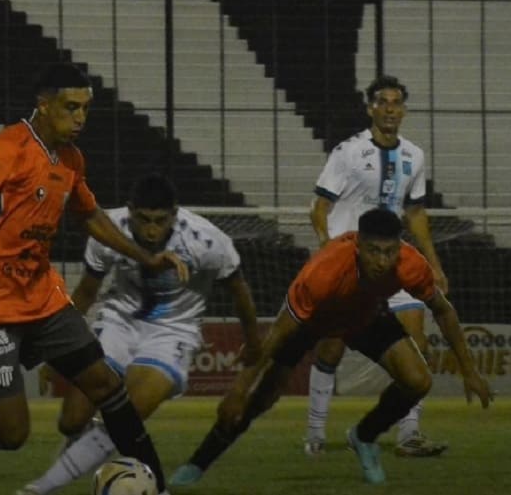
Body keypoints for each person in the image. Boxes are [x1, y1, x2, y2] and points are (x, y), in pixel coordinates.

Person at [0, 63, 189, 495]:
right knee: (10, 434)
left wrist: (147, 258)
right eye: (71, 107)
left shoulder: (70, 159)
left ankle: (155, 487)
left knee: (107, 385)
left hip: (43, 300)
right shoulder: (8, 148)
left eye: (85, 108)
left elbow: (90, 216)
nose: (80, 117)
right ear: (44, 106)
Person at [169, 208, 492, 487]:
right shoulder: (323, 273)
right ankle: (199, 462)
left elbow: (443, 310)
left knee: (418, 381)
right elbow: (279, 333)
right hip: (314, 322)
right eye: (374, 251)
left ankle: (364, 436)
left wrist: (470, 371)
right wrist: (239, 390)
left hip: (364, 317)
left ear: (399, 248)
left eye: (389, 252)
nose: (382, 261)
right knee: (261, 399)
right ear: (358, 246)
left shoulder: (410, 264)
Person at [17, 173, 261, 495]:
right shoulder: (108, 229)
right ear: (130, 211)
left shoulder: (207, 242)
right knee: (72, 420)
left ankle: (41, 488)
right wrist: (56, 347)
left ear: (174, 215)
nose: (151, 230)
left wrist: (253, 343)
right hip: (117, 322)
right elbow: (87, 292)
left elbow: (240, 292)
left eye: (160, 221)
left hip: (172, 332)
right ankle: (84, 455)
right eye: (143, 220)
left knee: (125, 415)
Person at [304, 75, 450, 457]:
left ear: (404, 110)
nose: (390, 109)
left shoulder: (414, 155)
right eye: (382, 102)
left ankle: (409, 433)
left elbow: (415, 212)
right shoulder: (348, 152)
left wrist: (433, 264)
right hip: (349, 262)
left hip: (392, 260)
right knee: (332, 348)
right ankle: (315, 432)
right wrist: (326, 249)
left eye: (396, 102)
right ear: (370, 108)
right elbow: (319, 207)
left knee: (417, 342)